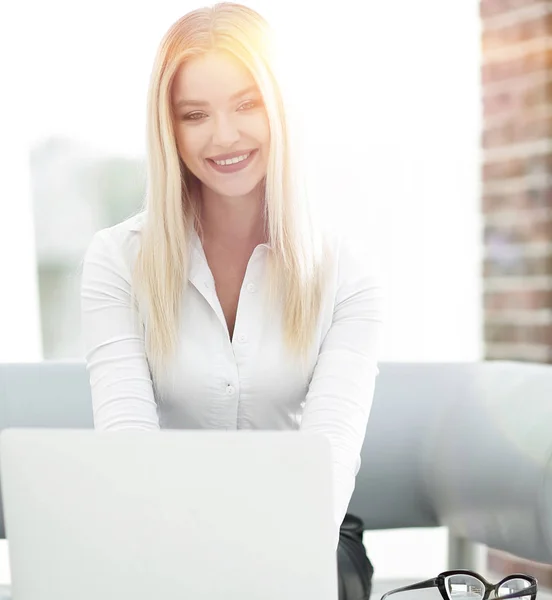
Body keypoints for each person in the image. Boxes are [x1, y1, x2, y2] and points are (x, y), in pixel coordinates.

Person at [80, 3, 384, 598]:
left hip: (309, 533)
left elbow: (327, 464)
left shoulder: (347, 270)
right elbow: (127, 453)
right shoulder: (117, 260)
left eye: (246, 104)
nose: (224, 136)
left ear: (281, 108)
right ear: (169, 130)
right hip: (163, 532)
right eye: (195, 114)